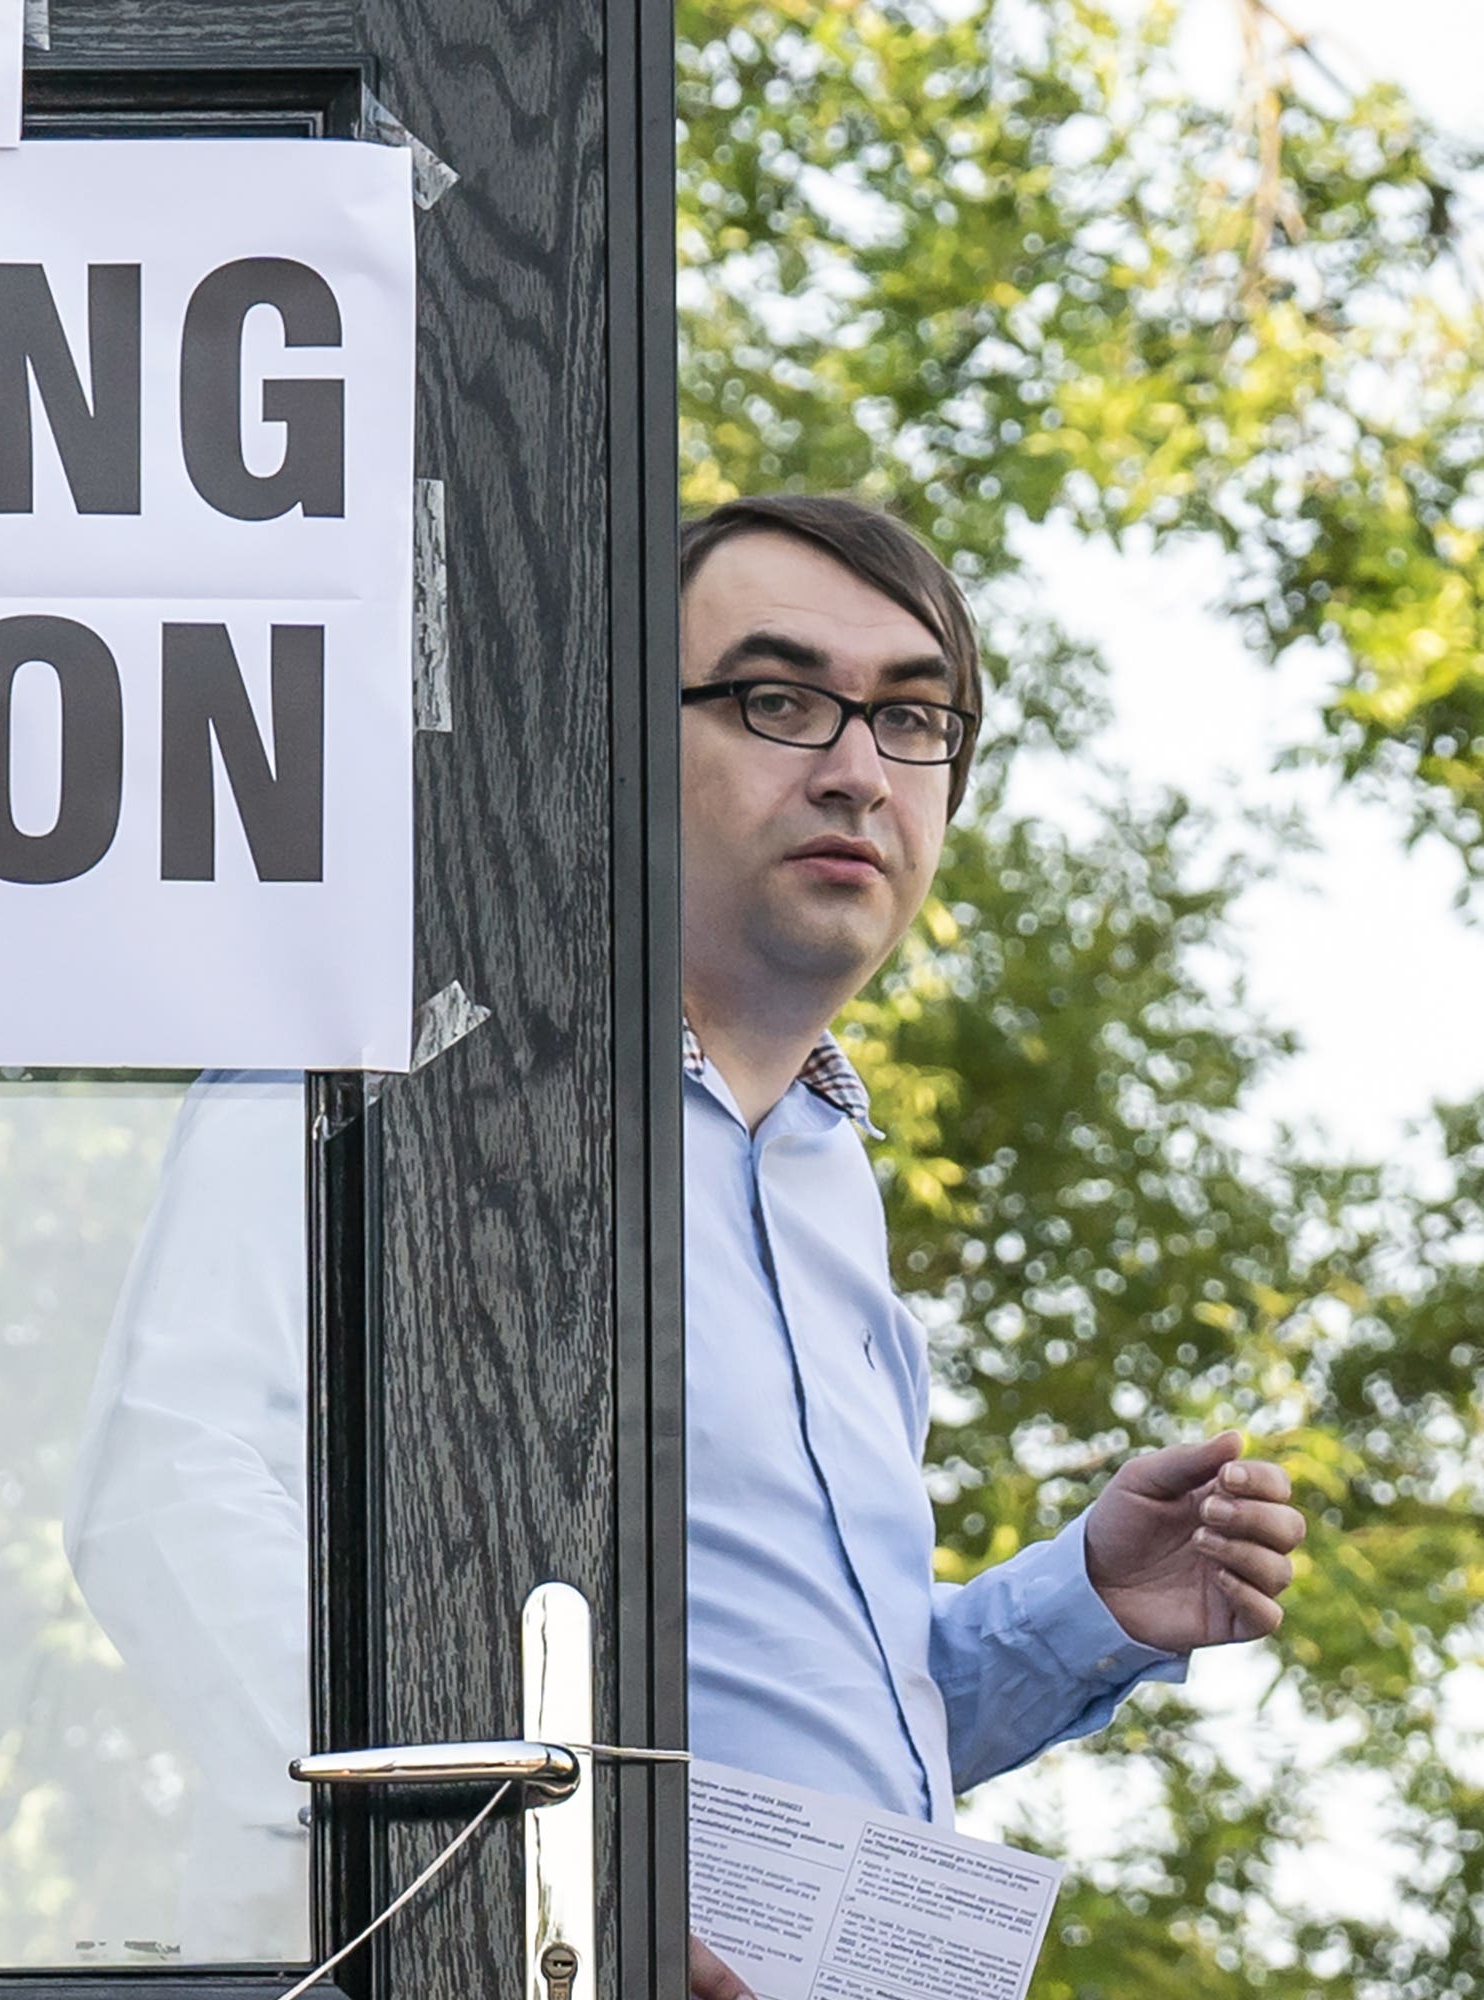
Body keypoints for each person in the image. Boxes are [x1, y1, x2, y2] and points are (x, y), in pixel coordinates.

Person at [675, 493, 1307, 1996]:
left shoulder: (836, 1201)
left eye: (913, 721)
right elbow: (182, 1492)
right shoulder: (433, 1098)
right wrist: (507, 1891)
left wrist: (1089, 1603)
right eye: (780, 700)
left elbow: (835, 1727)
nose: (854, 773)